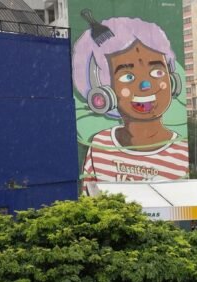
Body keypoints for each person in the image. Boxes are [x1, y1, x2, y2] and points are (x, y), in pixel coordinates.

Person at [72, 14, 189, 185]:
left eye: (157, 72)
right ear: (104, 92)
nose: (145, 85)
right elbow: (89, 198)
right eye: (128, 76)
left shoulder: (180, 151)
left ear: (172, 81)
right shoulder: (99, 145)